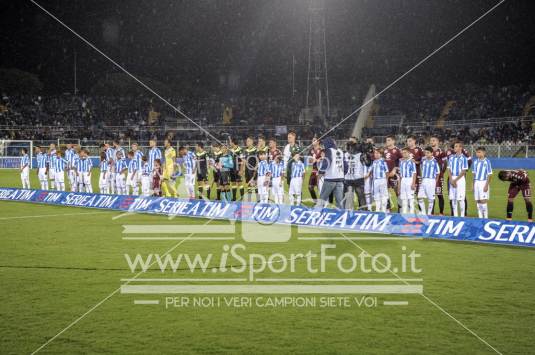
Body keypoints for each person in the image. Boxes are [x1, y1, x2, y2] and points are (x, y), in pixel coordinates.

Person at [316, 137, 346, 209]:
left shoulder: (328, 150)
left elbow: (327, 162)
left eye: (324, 144)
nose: (323, 145)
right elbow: (346, 165)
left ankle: (317, 215)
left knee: (322, 199)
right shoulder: (341, 151)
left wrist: (320, 173)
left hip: (330, 179)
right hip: (340, 179)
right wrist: (342, 174)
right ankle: (341, 216)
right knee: (340, 201)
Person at [343, 137, 367, 210]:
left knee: (361, 196)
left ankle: (364, 212)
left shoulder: (361, 154)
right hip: (348, 179)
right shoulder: (344, 154)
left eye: (352, 142)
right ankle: (349, 212)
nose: (350, 143)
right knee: (348, 197)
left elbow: (367, 163)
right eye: (349, 141)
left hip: (358, 178)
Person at [447, 142, 469, 217]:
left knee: (461, 199)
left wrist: (455, 180)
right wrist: (450, 179)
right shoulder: (451, 158)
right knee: (453, 199)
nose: (454, 148)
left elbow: (464, 171)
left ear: (460, 148)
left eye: (456, 146)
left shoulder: (464, 158)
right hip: (452, 178)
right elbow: (449, 169)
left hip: (460, 179)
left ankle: (462, 216)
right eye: (454, 146)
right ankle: (455, 216)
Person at [418, 147, 441, 215]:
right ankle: (423, 212)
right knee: (419, 197)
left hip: (431, 180)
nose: (426, 154)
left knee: (430, 199)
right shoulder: (423, 160)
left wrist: (435, 181)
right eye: (425, 153)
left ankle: (429, 213)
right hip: (424, 180)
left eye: (428, 153)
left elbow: (438, 172)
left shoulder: (435, 161)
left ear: (431, 153)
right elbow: (421, 168)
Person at [472, 147, 492, 218]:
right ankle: (480, 217)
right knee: (478, 201)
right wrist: (473, 184)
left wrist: (486, 185)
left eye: (479, 152)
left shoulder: (487, 162)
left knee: (483, 201)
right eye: (477, 152)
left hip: (483, 182)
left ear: (484, 153)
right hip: (476, 182)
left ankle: (485, 218)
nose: (477, 154)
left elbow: (489, 174)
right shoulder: (475, 162)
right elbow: (474, 174)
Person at [384, 135, 402, 212]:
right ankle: (388, 209)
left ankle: (400, 209)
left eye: (388, 140)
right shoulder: (385, 151)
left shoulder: (397, 151)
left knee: (397, 192)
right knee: (386, 192)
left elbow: (403, 162)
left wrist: (395, 169)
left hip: (394, 175)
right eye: (386, 140)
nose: (387, 142)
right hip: (386, 175)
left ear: (393, 141)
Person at [430, 136, 447, 215]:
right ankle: (432, 212)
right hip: (430, 177)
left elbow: (445, 163)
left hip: (439, 177)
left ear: (437, 142)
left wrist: (442, 173)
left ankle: (441, 213)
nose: (432, 142)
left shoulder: (441, 152)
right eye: (431, 141)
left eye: (433, 140)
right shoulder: (428, 151)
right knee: (431, 195)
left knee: (439, 194)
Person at [368, 148, 389, 213]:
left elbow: (387, 171)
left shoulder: (383, 161)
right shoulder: (374, 162)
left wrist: (386, 180)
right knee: (376, 195)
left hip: (382, 179)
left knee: (383, 195)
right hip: (375, 180)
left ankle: (384, 209)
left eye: (377, 153)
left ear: (381, 154)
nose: (376, 154)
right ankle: (378, 209)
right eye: (375, 153)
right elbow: (370, 171)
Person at [398, 147, 417, 214]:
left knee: (411, 198)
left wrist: (413, 183)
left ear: (409, 153)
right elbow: (400, 175)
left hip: (409, 179)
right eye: (402, 153)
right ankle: (404, 213)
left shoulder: (412, 161)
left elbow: (414, 173)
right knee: (404, 198)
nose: (403, 154)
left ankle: (412, 213)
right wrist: (399, 185)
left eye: (405, 152)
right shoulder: (401, 162)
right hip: (403, 180)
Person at [243, 137, 258, 201]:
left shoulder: (255, 150)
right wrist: (243, 169)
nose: (247, 142)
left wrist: (256, 168)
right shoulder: (245, 151)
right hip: (247, 170)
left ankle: (258, 200)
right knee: (248, 184)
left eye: (248, 141)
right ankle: (249, 200)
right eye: (246, 141)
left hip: (253, 170)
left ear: (252, 142)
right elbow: (244, 160)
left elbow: (257, 160)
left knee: (255, 185)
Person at [308, 137, 322, 202]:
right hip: (314, 171)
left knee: (320, 189)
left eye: (314, 140)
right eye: (312, 140)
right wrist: (312, 160)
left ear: (318, 141)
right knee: (310, 187)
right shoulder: (311, 150)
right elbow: (309, 161)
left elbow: (324, 158)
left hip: (321, 172)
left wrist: (318, 160)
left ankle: (323, 203)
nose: (312, 141)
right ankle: (316, 202)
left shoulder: (322, 149)